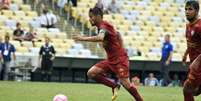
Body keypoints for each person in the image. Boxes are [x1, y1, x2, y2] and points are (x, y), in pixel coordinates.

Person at [73, 7, 143, 101]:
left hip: (119, 60)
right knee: (91, 73)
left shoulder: (103, 26)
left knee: (126, 84)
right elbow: (117, 34)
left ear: (98, 16)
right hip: (111, 60)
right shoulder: (102, 26)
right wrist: (119, 47)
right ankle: (114, 86)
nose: (90, 19)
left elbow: (100, 37)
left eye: (91, 17)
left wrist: (82, 38)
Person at [183, 1, 201, 101]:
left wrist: (197, 61)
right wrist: (185, 54)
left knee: (187, 89)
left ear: (197, 11)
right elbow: (191, 43)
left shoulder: (199, 26)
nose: (187, 11)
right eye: (186, 9)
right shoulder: (188, 26)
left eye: (190, 9)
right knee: (194, 91)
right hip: (195, 65)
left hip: (198, 65)